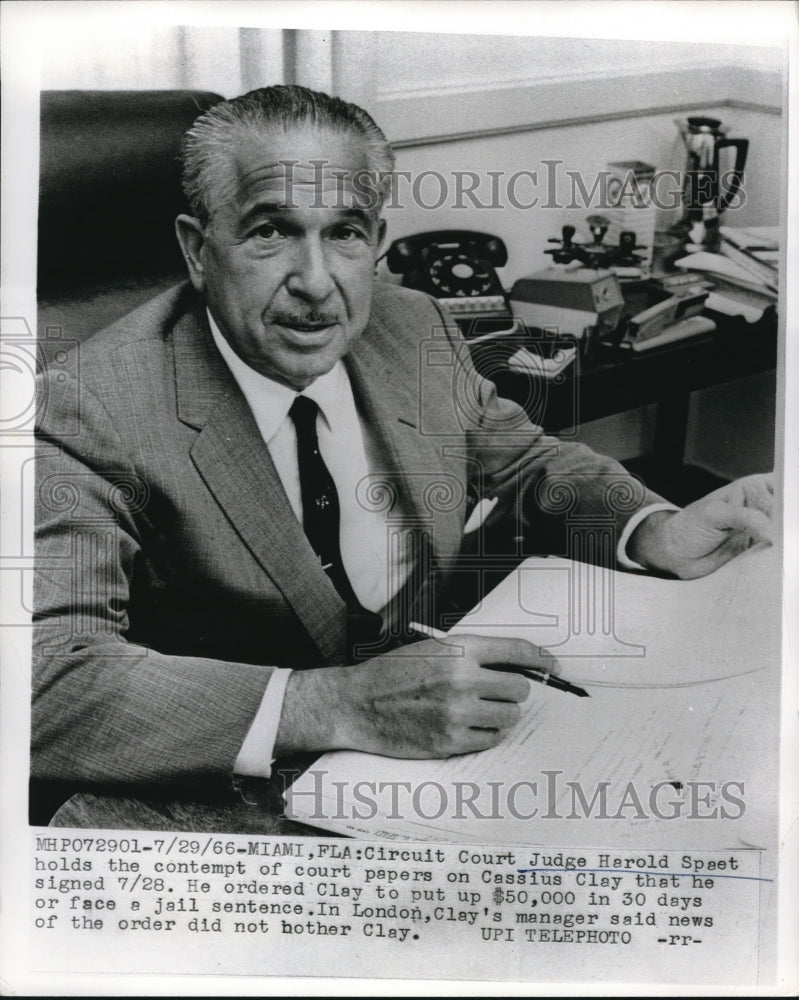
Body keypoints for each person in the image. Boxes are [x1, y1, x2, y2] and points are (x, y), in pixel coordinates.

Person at [32, 85, 773, 821]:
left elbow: (523, 463)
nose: (317, 284)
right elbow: (44, 682)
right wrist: (336, 706)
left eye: (346, 233)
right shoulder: (86, 405)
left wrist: (653, 531)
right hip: (252, 770)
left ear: (378, 242)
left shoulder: (410, 323)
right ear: (197, 249)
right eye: (270, 231)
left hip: (456, 733)